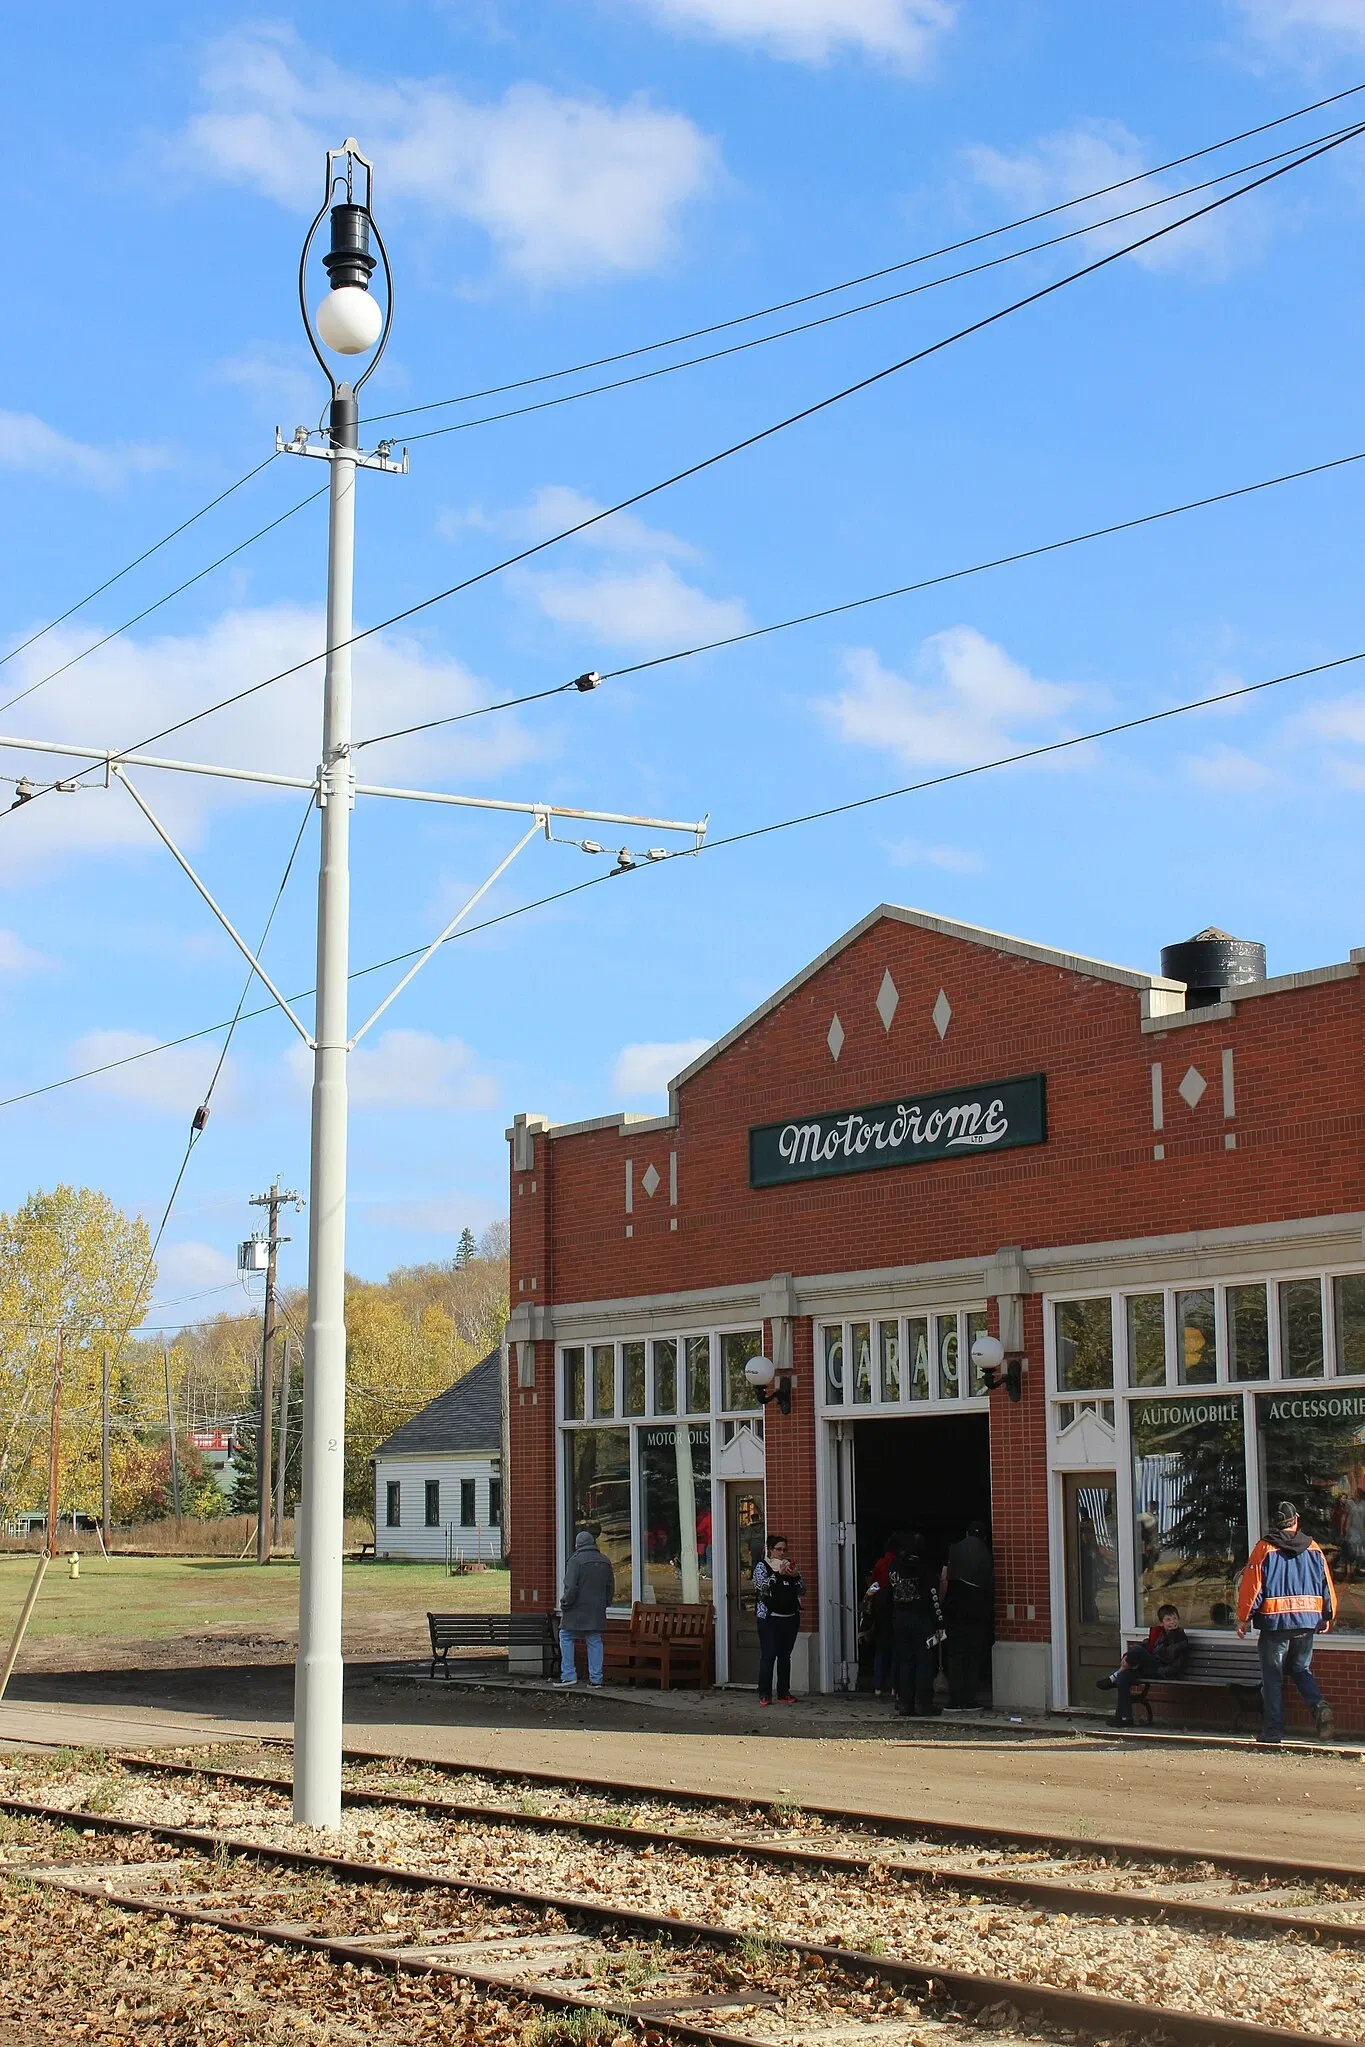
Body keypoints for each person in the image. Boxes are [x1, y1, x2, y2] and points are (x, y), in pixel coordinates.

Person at [1237, 1499, 1337, 1745]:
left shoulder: (1265, 1548)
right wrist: (1328, 1613)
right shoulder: (1313, 1547)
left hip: (1275, 1624)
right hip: (1306, 1622)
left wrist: (1242, 1618)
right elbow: (1327, 1582)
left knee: (1272, 1678)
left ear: (1277, 1523)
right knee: (1301, 1669)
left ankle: (1272, 1732)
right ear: (1296, 1520)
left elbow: (1253, 1587)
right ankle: (1318, 1707)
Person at [1096, 1603, 1188, 1726]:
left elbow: (1167, 1656)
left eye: (1175, 1618)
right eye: (1168, 1620)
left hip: (1165, 1670)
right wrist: (1128, 1657)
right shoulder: (1160, 1634)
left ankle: (1114, 1676)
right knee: (1124, 1677)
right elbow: (1144, 1646)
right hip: (1153, 1668)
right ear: (1162, 1623)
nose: (1173, 1622)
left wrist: (1144, 1655)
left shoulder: (1180, 1637)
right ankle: (1125, 1718)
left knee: (1137, 1651)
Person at [940, 1520, 994, 1709]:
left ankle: (955, 1699)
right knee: (973, 1656)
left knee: (955, 1655)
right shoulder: (986, 1553)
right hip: (978, 1609)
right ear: (985, 1537)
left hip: (955, 1608)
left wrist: (941, 1605)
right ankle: (969, 1698)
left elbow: (945, 1580)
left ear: (966, 1533)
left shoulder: (955, 1550)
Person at [890, 1531, 945, 1717]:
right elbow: (933, 1596)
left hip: (900, 1617)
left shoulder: (894, 1566)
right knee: (924, 1662)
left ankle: (905, 1702)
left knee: (905, 1662)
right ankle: (923, 1703)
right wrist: (939, 1622)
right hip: (921, 1619)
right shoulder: (924, 1568)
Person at [558, 1526, 615, 1686]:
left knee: (566, 1636)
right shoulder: (605, 1560)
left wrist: (565, 1603)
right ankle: (596, 1679)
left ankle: (568, 1675)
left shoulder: (575, 1561)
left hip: (576, 1609)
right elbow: (610, 1586)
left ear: (578, 1545)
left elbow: (571, 1587)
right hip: (597, 1609)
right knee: (595, 1639)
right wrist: (606, 1602)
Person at [752, 1534, 804, 1705]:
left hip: (789, 1617)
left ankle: (783, 1692)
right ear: (770, 1550)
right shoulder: (762, 1566)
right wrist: (778, 1575)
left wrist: (794, 1576)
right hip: (769, 1618)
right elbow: (762, 1587)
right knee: (768, 1655)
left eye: (784, 1550)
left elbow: (802, 1590)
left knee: (785, 1656)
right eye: (778, 1549)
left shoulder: (789, 1566)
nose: (782, 1553)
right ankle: (765, 1694)